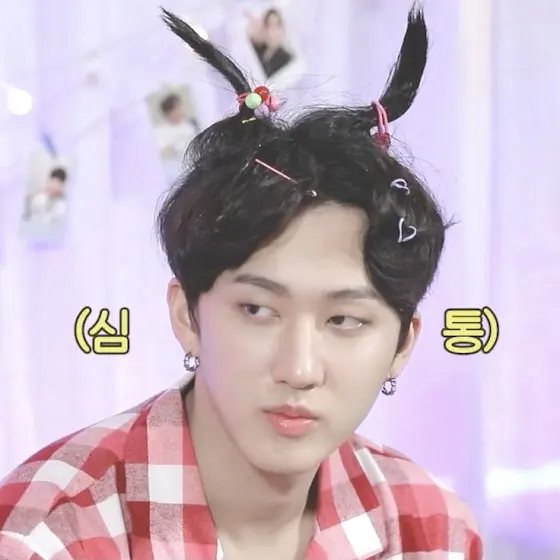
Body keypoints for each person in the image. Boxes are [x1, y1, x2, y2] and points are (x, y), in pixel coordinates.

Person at [0, 7, 483, 560]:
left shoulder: (431, 530)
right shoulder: (46, 537)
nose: (299, 369)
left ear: (402, 344)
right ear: (187, 315)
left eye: (345, 320)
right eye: (257, 309)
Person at [154, 92, 199, 183]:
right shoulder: (161, 131)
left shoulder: (188, 125)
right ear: (167, 112)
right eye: (175, 109)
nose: (178, 111)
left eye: (179, 107)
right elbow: (162, 153)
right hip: (175, 173)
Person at [246, 9, 293, 78]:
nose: (272, 32)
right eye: (269, 26)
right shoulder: (257, 51)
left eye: (276, 25)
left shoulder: (287, 59)